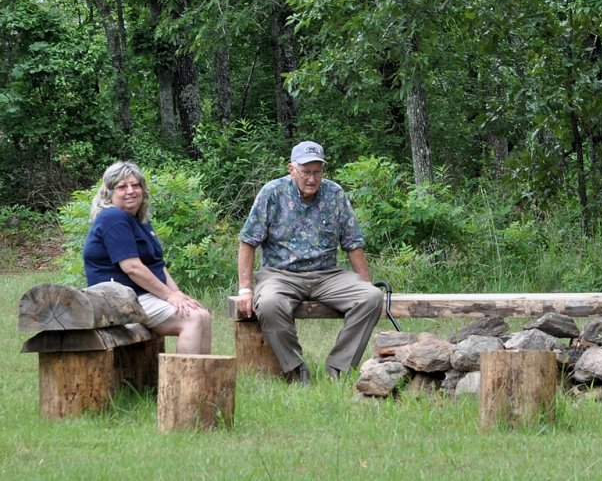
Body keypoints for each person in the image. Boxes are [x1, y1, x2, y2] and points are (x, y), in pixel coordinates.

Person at [234, 141, 384, 384]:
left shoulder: (335, 194)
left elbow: (353, 242)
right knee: (270, 304)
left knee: (371, 298)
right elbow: (247, 241)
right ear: (291, 169)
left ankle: (339, 369)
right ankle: (296, 369)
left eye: (317, 172)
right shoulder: (272, 193)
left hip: (327, 274)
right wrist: (245, 288)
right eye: (306, 172)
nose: (312, 179)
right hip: (279, 274)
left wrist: (366, 283)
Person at [83, 161, 212, 354]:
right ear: (109, 192)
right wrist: (169, 296)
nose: (130, 191)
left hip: (139, 294)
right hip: (115, 298)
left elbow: (157, 265)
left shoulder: (138, 219)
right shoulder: (113, 218)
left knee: (203, 315)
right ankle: (184, 384)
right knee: (192, 319)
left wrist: (178, 295)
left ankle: (204, 381)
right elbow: (132, 267)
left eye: (135, 185)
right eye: (122, 186)